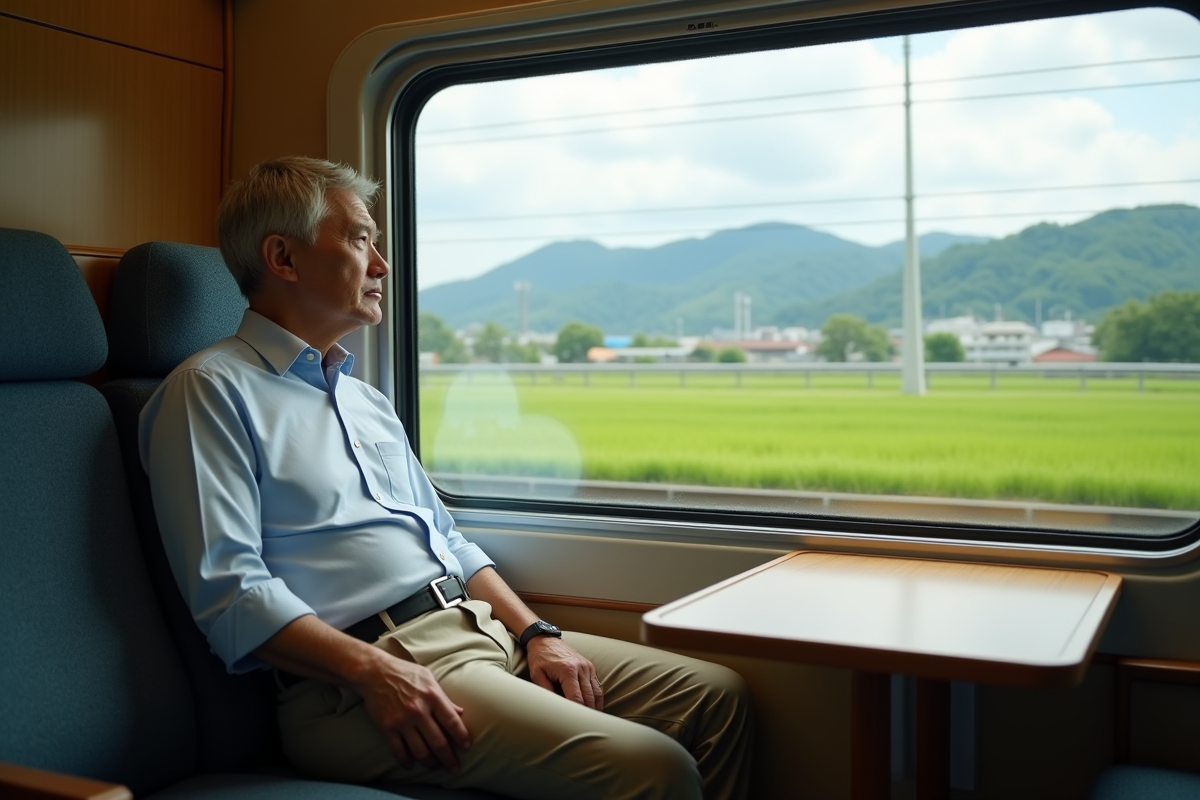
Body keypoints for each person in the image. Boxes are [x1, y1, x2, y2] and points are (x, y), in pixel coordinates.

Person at [140, 157, 753, 800]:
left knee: (716, 699)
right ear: (283, 258)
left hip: (478, 627)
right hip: (359, 681)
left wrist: (535, 633)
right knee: (656, 768)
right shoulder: (209, 391)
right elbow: (230, 593)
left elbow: (447, 539)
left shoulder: (364, 400)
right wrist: (378, 674)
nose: (381, 265)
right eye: (358, 239)